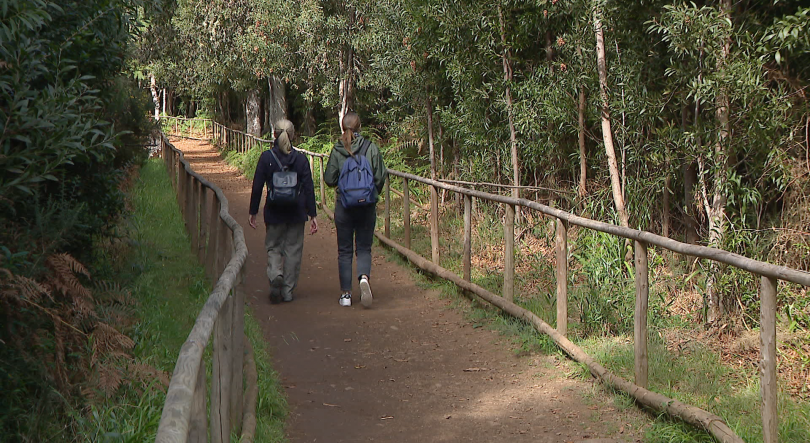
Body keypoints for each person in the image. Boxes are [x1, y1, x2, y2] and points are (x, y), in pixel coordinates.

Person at [249, 119, 318, 303]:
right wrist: (312, 214)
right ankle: (287, 290)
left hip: (274, 211)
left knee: (273, 247)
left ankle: (275, 275)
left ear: (274, 134)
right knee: (293, 250)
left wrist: (253, 211)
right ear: (293, 135)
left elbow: (257, 186)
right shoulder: (301, 159)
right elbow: (309, 188)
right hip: (296, 211)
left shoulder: (266, 158)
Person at [325, 112, 387, 307]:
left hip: (344, 206)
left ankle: (345, 295)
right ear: (360, 127)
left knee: (344, 250)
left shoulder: (337, 150)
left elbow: (329, 179)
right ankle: (363, 278)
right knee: (364, 247)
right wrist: (370, 195)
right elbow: (380, 176)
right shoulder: (371, 148)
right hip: (366, 207)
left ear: (342, 127)